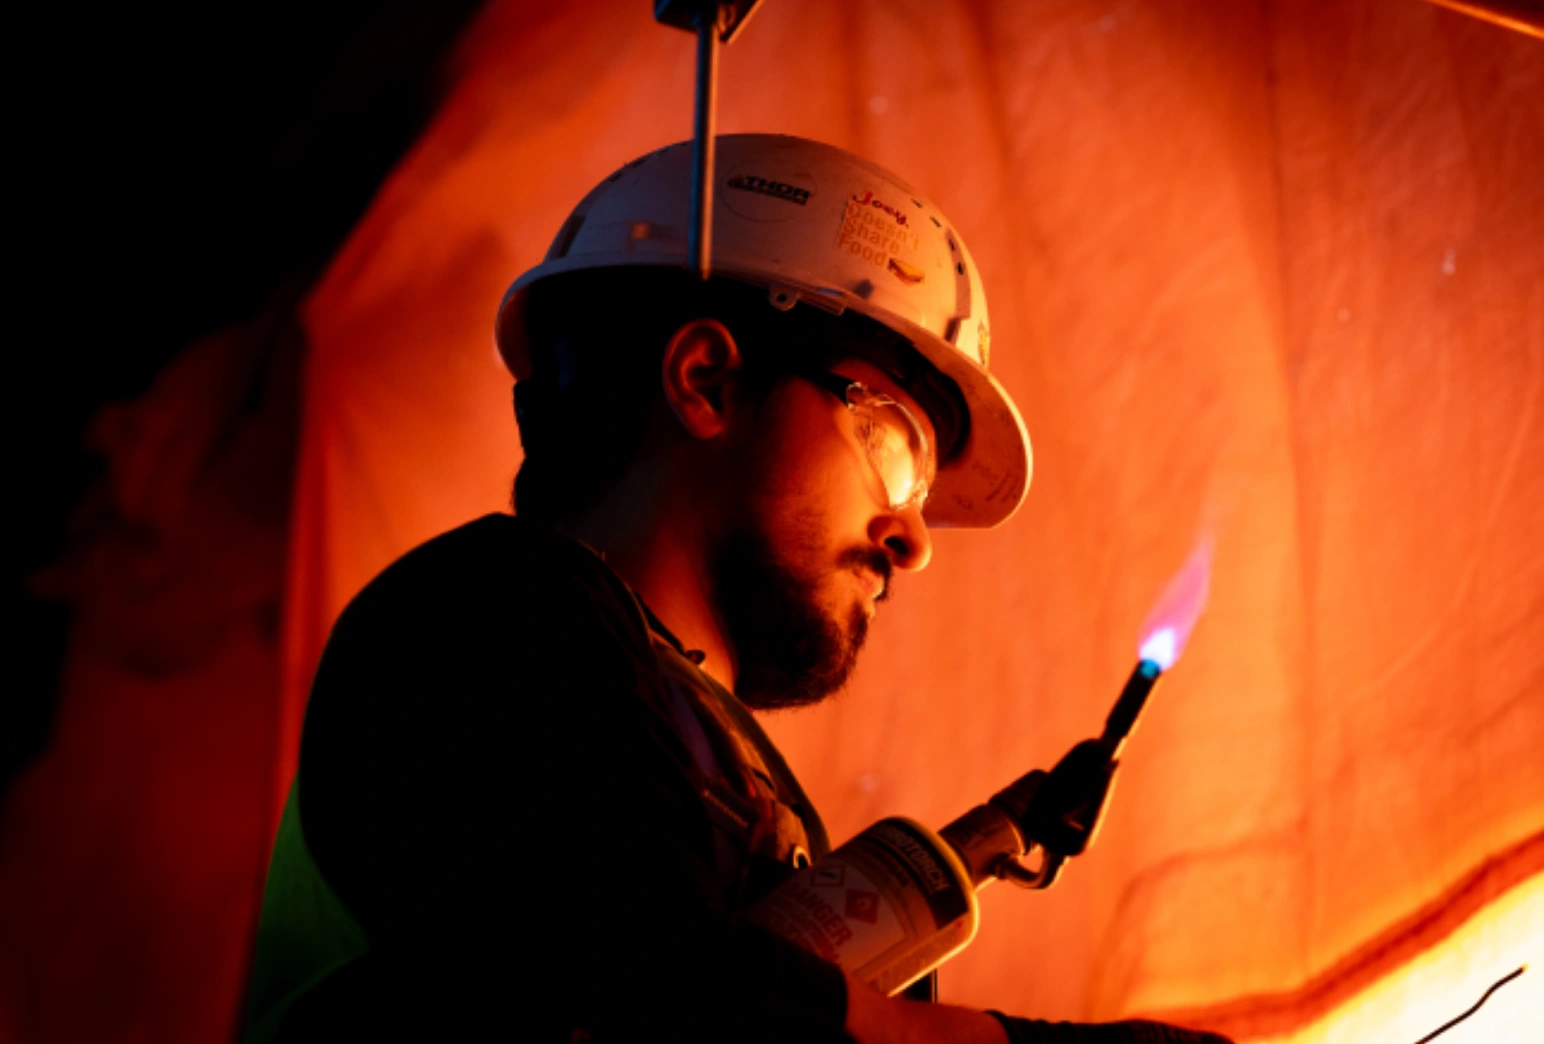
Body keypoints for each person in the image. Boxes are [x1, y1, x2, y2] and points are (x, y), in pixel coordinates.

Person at [243, 135, 1230, 1043]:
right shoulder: (484, 616)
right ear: (707, 379)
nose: (911, 537)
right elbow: (665, 999)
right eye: (891, 447)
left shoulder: (713, 761)